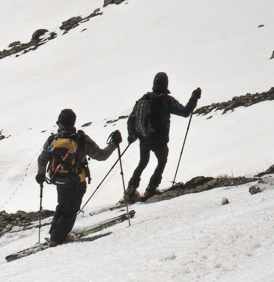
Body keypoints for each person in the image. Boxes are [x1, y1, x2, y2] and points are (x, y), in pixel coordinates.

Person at [35, 109, 120, 246]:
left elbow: (42, 159)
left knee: (62, 206)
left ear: (61, 123)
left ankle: (54, 234)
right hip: (75, 182)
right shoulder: (81, 139)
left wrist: (40, 175)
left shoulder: (53, 139)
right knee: (70, 211)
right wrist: (114, 144)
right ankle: (57, 239)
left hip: (58, 180)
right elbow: (101, 155)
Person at [125, 72, 201, 202]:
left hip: (144, 138)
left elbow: (131, 119)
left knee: (142, 162)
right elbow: (185, 112)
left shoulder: (144, 99)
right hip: (159, 140)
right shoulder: (167, 100)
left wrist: (132, 135)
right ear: (166, 84)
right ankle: (151, 189)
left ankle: (130, 190)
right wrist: (194, 98)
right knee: (162, 161)